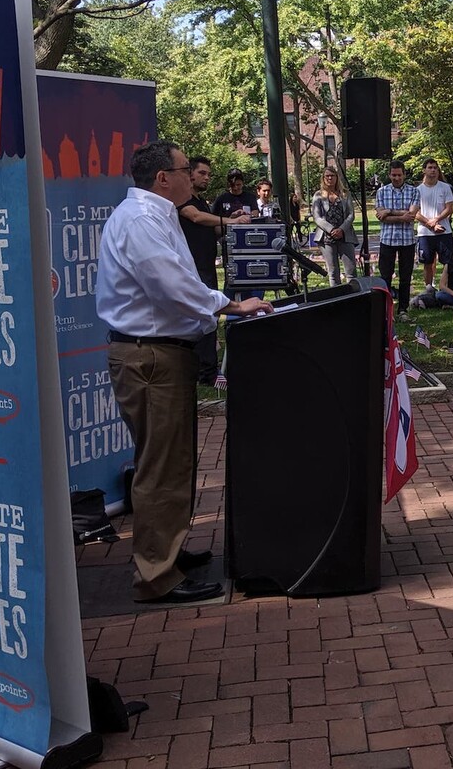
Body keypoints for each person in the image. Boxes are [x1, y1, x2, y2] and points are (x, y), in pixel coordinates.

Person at [97, 141, 273, 604]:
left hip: (161, 353)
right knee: (161, 466)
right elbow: (171, 285)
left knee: (173, 460)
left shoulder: (156, 216)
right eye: (184, 170)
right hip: (150, 355)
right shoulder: (139, 221)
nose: (194, 179)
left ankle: (167, 553)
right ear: (162, 178)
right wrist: (232, 305)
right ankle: (156, 576)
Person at [175, 157, 243, 386]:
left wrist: (228, 222)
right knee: (203, 316)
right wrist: (229, 221)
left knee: (210, 317)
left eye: (209, 174)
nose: (207, 178)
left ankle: (209, 370)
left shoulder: (201, 201)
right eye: (202, 173)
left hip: (206, 267)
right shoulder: (182, 200)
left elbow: (211, 229)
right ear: (190, 175)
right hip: (192, 269)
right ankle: (206, 373)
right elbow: (195, 217)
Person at [375, 161, 421, 311]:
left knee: (405, 277)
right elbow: (382, 217)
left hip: (407, 240)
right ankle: (386, 310)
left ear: (404, 175)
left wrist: (388, 211)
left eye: (399, 175)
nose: (396, 178)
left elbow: (412, 214)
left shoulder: (414, 191)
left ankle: (403, 309)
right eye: (393, 175)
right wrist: (401, 215)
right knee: (385, 277)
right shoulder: (381, 192)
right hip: (387, 240)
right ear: (389, 175)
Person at [415, 158, 453, 291]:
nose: (433, 170)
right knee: (427, 262)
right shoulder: (417, 190)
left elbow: (449, 208)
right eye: (430, 167)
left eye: (435, 168)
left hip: (444, 231)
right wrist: (431, 224)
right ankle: (429, 289)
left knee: (447, 263)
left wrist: (437, 219)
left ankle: (447, 288)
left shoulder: (445, 187)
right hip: (425, 233)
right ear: (424, 170)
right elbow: (415, 212)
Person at [311, 166, 357, 287]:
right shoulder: (318, 195)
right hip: (326, 237)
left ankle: (353, 296)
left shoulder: (345, 194)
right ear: (323, 178)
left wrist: (341, 229)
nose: (330, 178)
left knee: (351, 271)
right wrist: (331, 230)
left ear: (337, 178)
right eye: (327, 176)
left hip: (345, 235)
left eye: (332, 176)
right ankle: (336, 298)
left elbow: (351, 214)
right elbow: (317, 217)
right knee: (333, 272)